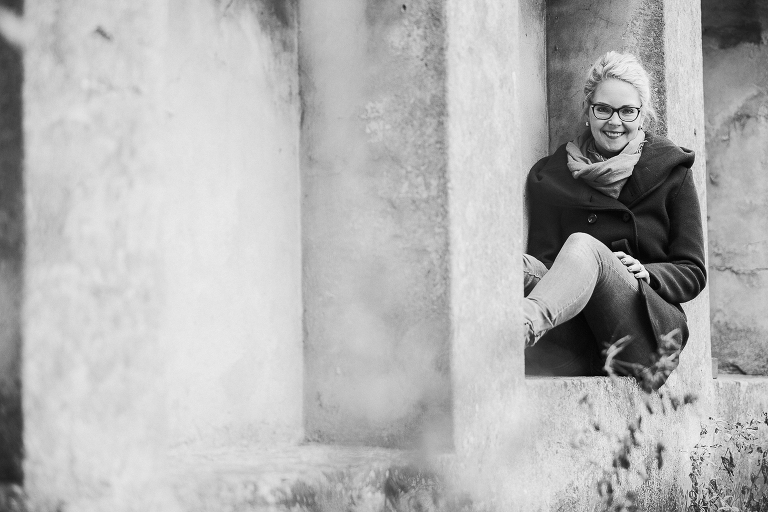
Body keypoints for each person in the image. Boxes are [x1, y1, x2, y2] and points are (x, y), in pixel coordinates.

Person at [523, 51, 706, 388]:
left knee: (584, 245)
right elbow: (546, 265)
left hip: (641, 339)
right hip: (575, 339)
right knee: (517, 266)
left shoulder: (672, 171)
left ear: (643, 115)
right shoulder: (553, 176)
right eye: (603, 109)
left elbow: (693, 270)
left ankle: (520, 326)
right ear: (587, 111)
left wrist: (648, 272)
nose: (614, 121)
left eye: (627, 111)